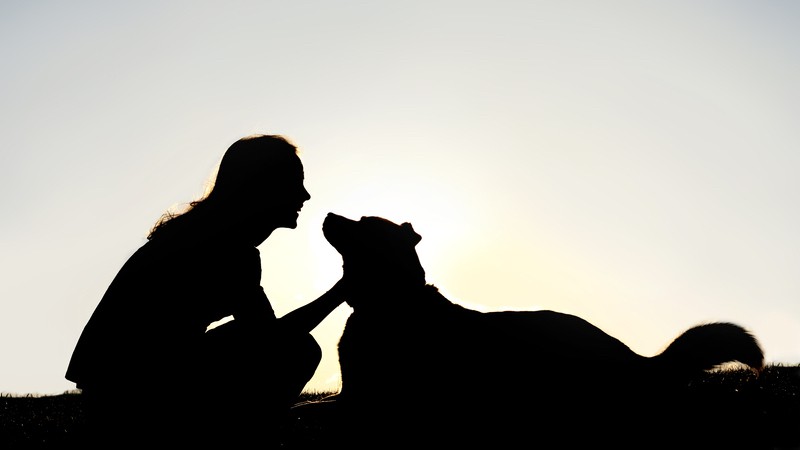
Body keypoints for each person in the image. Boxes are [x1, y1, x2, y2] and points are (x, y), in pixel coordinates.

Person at [65, 134, 347, 447]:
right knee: (297, 350)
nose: (305, 195)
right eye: (295, 181)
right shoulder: (228, 249)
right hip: (133, 396)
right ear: (263, 186)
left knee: (272, 342)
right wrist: (343, 291)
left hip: (112, 390)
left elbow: (259, 333)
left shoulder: (205, 232)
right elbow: (270, 339)